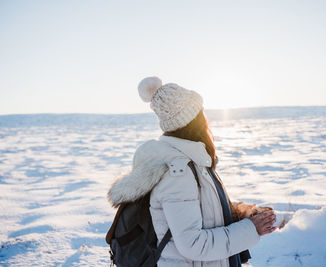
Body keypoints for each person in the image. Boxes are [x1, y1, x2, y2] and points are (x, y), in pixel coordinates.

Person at [108, 77, 277, 266]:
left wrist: (243, 213)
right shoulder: (178, 172)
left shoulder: (192, 161)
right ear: (193, 120)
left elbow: (201, 209)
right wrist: (250, 229)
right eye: (201, 112)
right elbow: (193, 244)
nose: (207, 120)